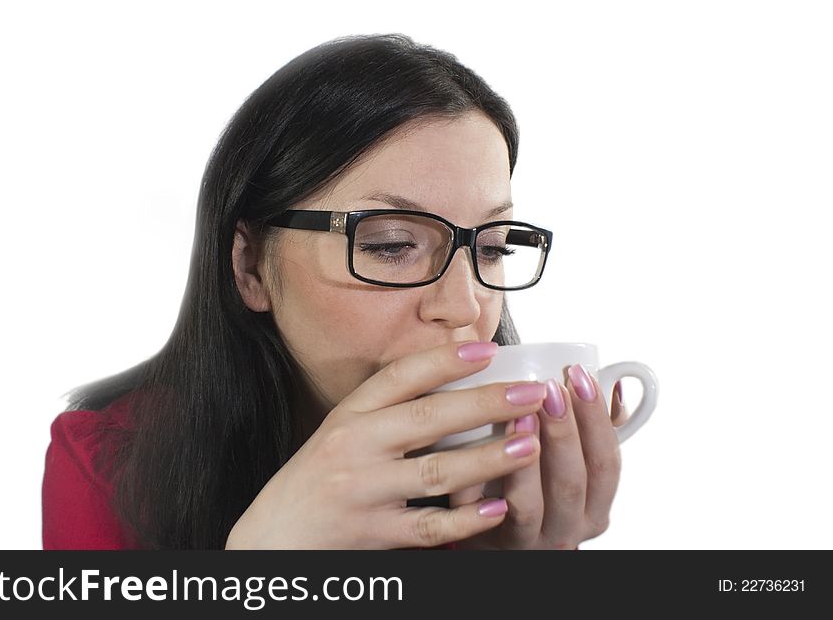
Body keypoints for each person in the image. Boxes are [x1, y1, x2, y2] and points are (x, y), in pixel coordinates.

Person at [42, 33, 628, 550]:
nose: (464, 306)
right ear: (249, 266)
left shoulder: (502, 495)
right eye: (392, 244)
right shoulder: (108, 467)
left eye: (493, 249)